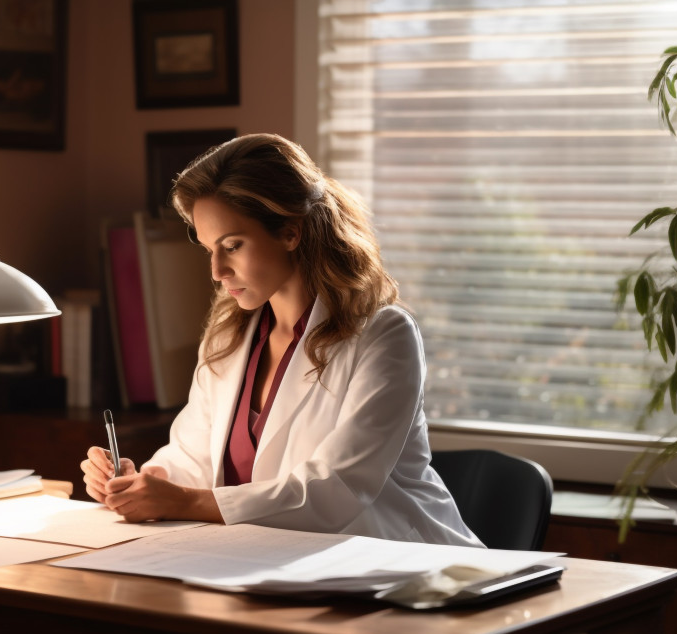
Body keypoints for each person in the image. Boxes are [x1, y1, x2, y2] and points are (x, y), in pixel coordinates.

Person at [80, 133, 482, 547]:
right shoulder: (230, 337)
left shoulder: (383, 335)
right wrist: (141, 482)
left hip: (403, 567)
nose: (217, 271)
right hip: (267, 560)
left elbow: (336, 490)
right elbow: (193, 458)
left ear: (290, 233)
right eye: (208, 251)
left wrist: (180, 502)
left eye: (232, 246)